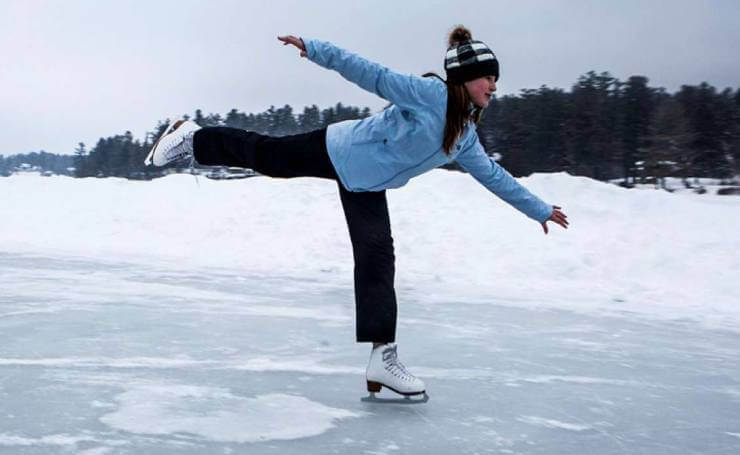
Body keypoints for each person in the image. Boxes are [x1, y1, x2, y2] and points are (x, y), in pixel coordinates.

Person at [145, 25, 569, 402]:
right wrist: (315, 48)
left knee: (377, 260)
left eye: (496, 80)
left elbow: (494, 175)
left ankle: (383, 358)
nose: (494, 86)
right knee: (268, 156)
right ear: (465, 77)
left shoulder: (464, 137)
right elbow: (372, 74)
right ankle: (193, 138)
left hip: (366, 185)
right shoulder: (431, 95)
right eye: (488, 77)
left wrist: (539, 209)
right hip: (340, 149)